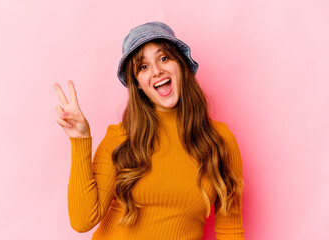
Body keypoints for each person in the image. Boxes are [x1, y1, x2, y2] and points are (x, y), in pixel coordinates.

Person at [54, 21, 244, 240]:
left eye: (164, 58)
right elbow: (82, 220)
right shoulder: (121, 137)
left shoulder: (219, 140)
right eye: (143, 67)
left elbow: (231, 230)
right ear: (137, 84)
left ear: (181, 65)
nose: (157, 71)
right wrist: (80, 140)